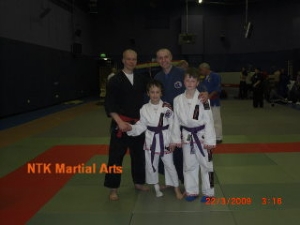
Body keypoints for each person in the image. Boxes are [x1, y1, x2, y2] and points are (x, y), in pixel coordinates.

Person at [154, 48, 208, 183]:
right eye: (160, 58)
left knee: (179, 153)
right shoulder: (157, 77)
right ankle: (170, 181)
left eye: (166, 57)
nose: (163, 60)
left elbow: (197, 86)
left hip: (180, 120)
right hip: (164, 120)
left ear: (171, 58)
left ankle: (184, 181)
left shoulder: (181, 73)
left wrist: (205, 93)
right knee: (165, 151)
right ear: (157, 60)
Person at [104, 49, 149, 200]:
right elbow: (109, 104)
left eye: (134, 59)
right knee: (115, 157)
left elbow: (153, 94)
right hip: (120, 124)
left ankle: (139, 182)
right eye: (128, 59)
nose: (131, 62)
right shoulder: (115, 80)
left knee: (139, 155)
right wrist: (119, 122)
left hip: (137, 124)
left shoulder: (141, 78)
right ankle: (113, 188)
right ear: (123, 60)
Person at [127, 80, 183, 199]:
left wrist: (174, 140)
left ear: (161, 93)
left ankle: (176, 187)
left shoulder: (167, 107)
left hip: (165, 139)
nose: (155, 95)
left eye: (157, 92)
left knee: (169, 165)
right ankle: (156, 186)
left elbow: (173, 124)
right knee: (152, 165)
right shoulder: (144, 108)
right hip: (151, 140)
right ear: (148, 93)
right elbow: (142, 125)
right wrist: (131, 128)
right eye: (152, 92)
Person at [170, 68, 216, 202]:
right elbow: (175, 120)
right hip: (187, 136)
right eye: (187, 80)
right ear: (183, 81)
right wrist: (175, 138)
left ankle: (209, 193)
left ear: (197, 82)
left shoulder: (203, 99)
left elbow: (209, 119)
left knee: (207, 166)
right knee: (189, 165)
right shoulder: (177, 99)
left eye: (193, 80)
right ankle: (191, 191)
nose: (190, 83)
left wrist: (210, 139)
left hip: (202, 136)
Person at [199, 62, 223, 144]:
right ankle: (209, 135)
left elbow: (217, 88)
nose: (201, 72)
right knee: (207, 118)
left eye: (201, 70)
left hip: (214, 101)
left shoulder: (215, 76)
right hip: (206, 102)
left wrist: (209, 96)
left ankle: (218, 137)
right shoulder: (205, 78)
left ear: (206, 68)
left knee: (216, 119)